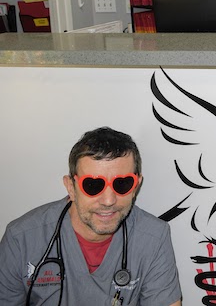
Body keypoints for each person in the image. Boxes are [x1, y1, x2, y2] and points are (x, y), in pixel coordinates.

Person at [0, 127, 182, 306]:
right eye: (93, 185)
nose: (109, 200)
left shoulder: (154, 237)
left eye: (122, 184)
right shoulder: (21, 239)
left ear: (136, 186)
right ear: (71, 187)